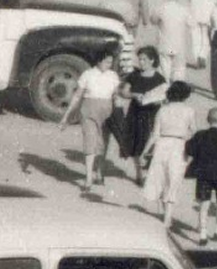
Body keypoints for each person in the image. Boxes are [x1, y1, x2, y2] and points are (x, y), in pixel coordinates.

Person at [55, 49, 122, 189]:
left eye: (111, 62)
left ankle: (100, 172)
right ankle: (89, 178)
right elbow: (77, 96)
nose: (109, 65)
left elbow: (116, 96)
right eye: (107, 62)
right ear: (99, 60)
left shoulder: (113, 75)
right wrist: (66, 116)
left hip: (107, 112)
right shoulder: (88, 74)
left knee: (102, 144)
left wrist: (118, 104)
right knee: (90, 142)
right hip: (88, 111)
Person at [141, 82, 200, 226]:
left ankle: (162, 213)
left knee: (160, 177)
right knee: (173, 181)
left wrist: (144, 151)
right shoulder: (189, 111)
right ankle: (167, 218)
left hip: (162, 144)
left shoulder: (162, 110)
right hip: (179, 146)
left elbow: (155, 134)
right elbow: (194, 132)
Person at [119, 47, 171, 184]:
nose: (141, 62)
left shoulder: (159, 78)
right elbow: (124, 92)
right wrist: (133, 95)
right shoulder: (134, 75)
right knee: (136, 143)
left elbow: (166, 98)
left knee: (150, 143)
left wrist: (158, 100)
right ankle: (139, 174)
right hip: (135, 112)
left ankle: (149, 174)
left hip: (152, 114)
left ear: (152, 60)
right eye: (140, 59)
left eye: (144, 59)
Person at [185, 107, 217, 243]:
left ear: (208, 119)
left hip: (204, 174)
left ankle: (202, 234)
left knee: (204, 203)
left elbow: (189, 149)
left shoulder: (200, 135)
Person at [153, 0, 191, 82]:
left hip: (164, 43)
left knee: (164, 67)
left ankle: (165, 86)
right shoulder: (183, 10)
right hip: (179, 44)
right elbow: (191, 23)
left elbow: (153, 20)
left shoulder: (160, 8)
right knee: (179, 68)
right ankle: (177, 87)